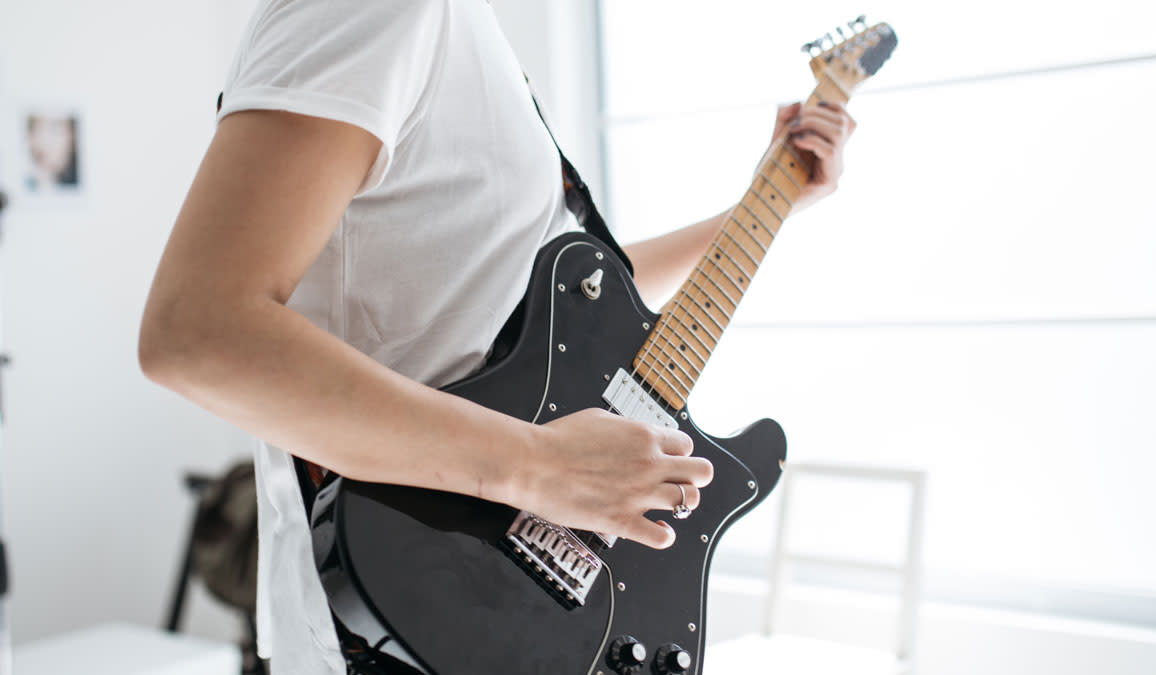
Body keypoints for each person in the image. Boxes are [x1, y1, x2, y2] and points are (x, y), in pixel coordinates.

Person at [138, 1, 855, 673]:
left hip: (499, 607)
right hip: (413, 608)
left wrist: (766, 202)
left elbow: (576, 302)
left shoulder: (464, 30)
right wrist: (541, 465)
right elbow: (196, 331)